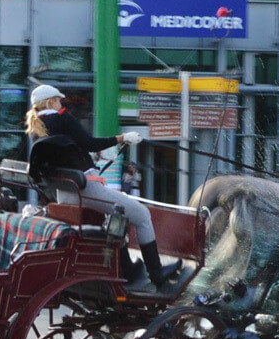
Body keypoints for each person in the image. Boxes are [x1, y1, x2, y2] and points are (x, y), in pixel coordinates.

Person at [24, 84, 180, 288]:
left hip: (65, 194)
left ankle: (128, 269)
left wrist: (88, 157)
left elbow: (67, 151)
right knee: (142, 216)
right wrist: (123, 138)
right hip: (85, 189)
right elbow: (89, 143)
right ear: (51, 102)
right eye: (59, 100)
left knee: (114, 217)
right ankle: (157, 274)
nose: (61, 103)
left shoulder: (37, 129)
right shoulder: (62, 118)